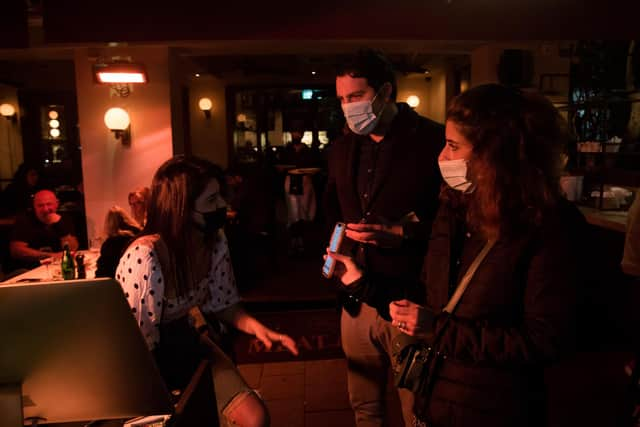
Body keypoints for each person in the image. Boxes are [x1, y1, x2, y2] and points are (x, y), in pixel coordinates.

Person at [329, 84, 580, 426]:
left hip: (494, 409)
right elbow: (428, 300)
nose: (441, 158)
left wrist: (438, 330)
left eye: (452, 146)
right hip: (434, 402)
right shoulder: (454, 210)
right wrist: (362, 282)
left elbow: (544, 340)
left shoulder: (547, 226)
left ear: (496, 155)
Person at [115, 155, 298, 427]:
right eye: (212, 201)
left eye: (220, 197)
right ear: (182, 209)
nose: (223, 205)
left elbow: (223, 304)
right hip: (144, 361)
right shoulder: (146, 256)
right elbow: (138, 347)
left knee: (255, 417)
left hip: (186, 342)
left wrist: (257, 328)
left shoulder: (215, 242)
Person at [324, 48, 444, 426]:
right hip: (354, 299)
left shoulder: (432, 141)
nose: (348, 107)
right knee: (364, 406)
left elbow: (454, 225)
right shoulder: (343, 147)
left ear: (385, 92)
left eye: (356, 97)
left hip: (407, 296)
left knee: (417, 408)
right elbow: (332, 209)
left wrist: (404, 234)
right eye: (342, 99)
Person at [8, 189, 79, 271]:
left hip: (57, 268)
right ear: (34, 206)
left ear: (57, 204)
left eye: (49, 204)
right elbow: (17, 251)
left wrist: (60, 225)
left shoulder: (64, 219)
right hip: (28, 269)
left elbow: (72, 248)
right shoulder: (24, 220)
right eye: (40, 205)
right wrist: (51, 255)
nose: (45, 209)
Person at [280, 128, 318, 254]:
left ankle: (302, 240)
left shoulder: (308, 150)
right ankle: (294, 239)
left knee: (304, 210)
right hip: (290, 180)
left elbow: (314, 165)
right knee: (293, 211)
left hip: (305, 180)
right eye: (293, 132)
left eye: (298, 132)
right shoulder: (286, 150)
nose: (295, 134)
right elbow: (281, 165)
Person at [95, 205, 142, 278]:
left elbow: (102, 271)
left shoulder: (110, 244)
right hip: (134, 279)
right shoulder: (137, 236)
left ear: (108, 224)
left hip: (116, 283)